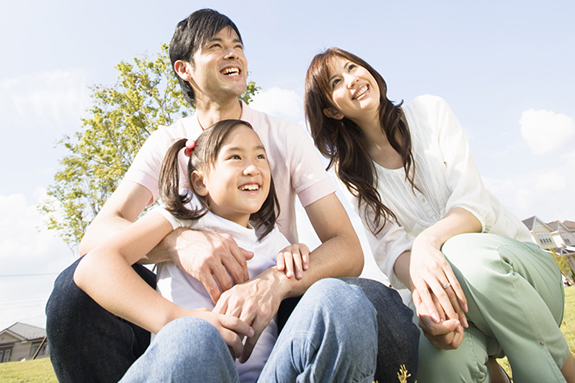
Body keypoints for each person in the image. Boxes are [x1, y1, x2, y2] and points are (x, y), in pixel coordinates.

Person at [46, 9, 419, 383]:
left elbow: (345, 248)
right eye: (216, 46)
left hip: (279, 308)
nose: (233, 54)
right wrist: (178, 242)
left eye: (238, 46)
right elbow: (95, 241)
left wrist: (276, 281)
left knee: (367, 303)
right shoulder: (166, 145)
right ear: (184, 70)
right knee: (72, 294)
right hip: (185, 321)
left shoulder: (284, 136)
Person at [304, 47, 575, 383]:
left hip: (521, 279)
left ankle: (561, 369)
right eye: (337, 81)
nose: (353, 79)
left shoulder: (430, 112)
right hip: (451, 298)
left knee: (462, 252)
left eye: (353, 67)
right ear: (331, 110)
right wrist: (426, 293)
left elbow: (472, 204)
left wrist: (427, 244)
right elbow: (390, 248)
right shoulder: (351, 174)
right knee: (438, 358)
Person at [75, 119, 366, 382]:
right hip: (194, 366)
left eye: (260, 157)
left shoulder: (272, 236)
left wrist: (297, 256)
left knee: (342, 296)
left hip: (270, 375)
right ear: (200, 181)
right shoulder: (180, 218)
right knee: (196, 337)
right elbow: (94, 267)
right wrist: (175, 319)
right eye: (235, 157)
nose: (252, 167)